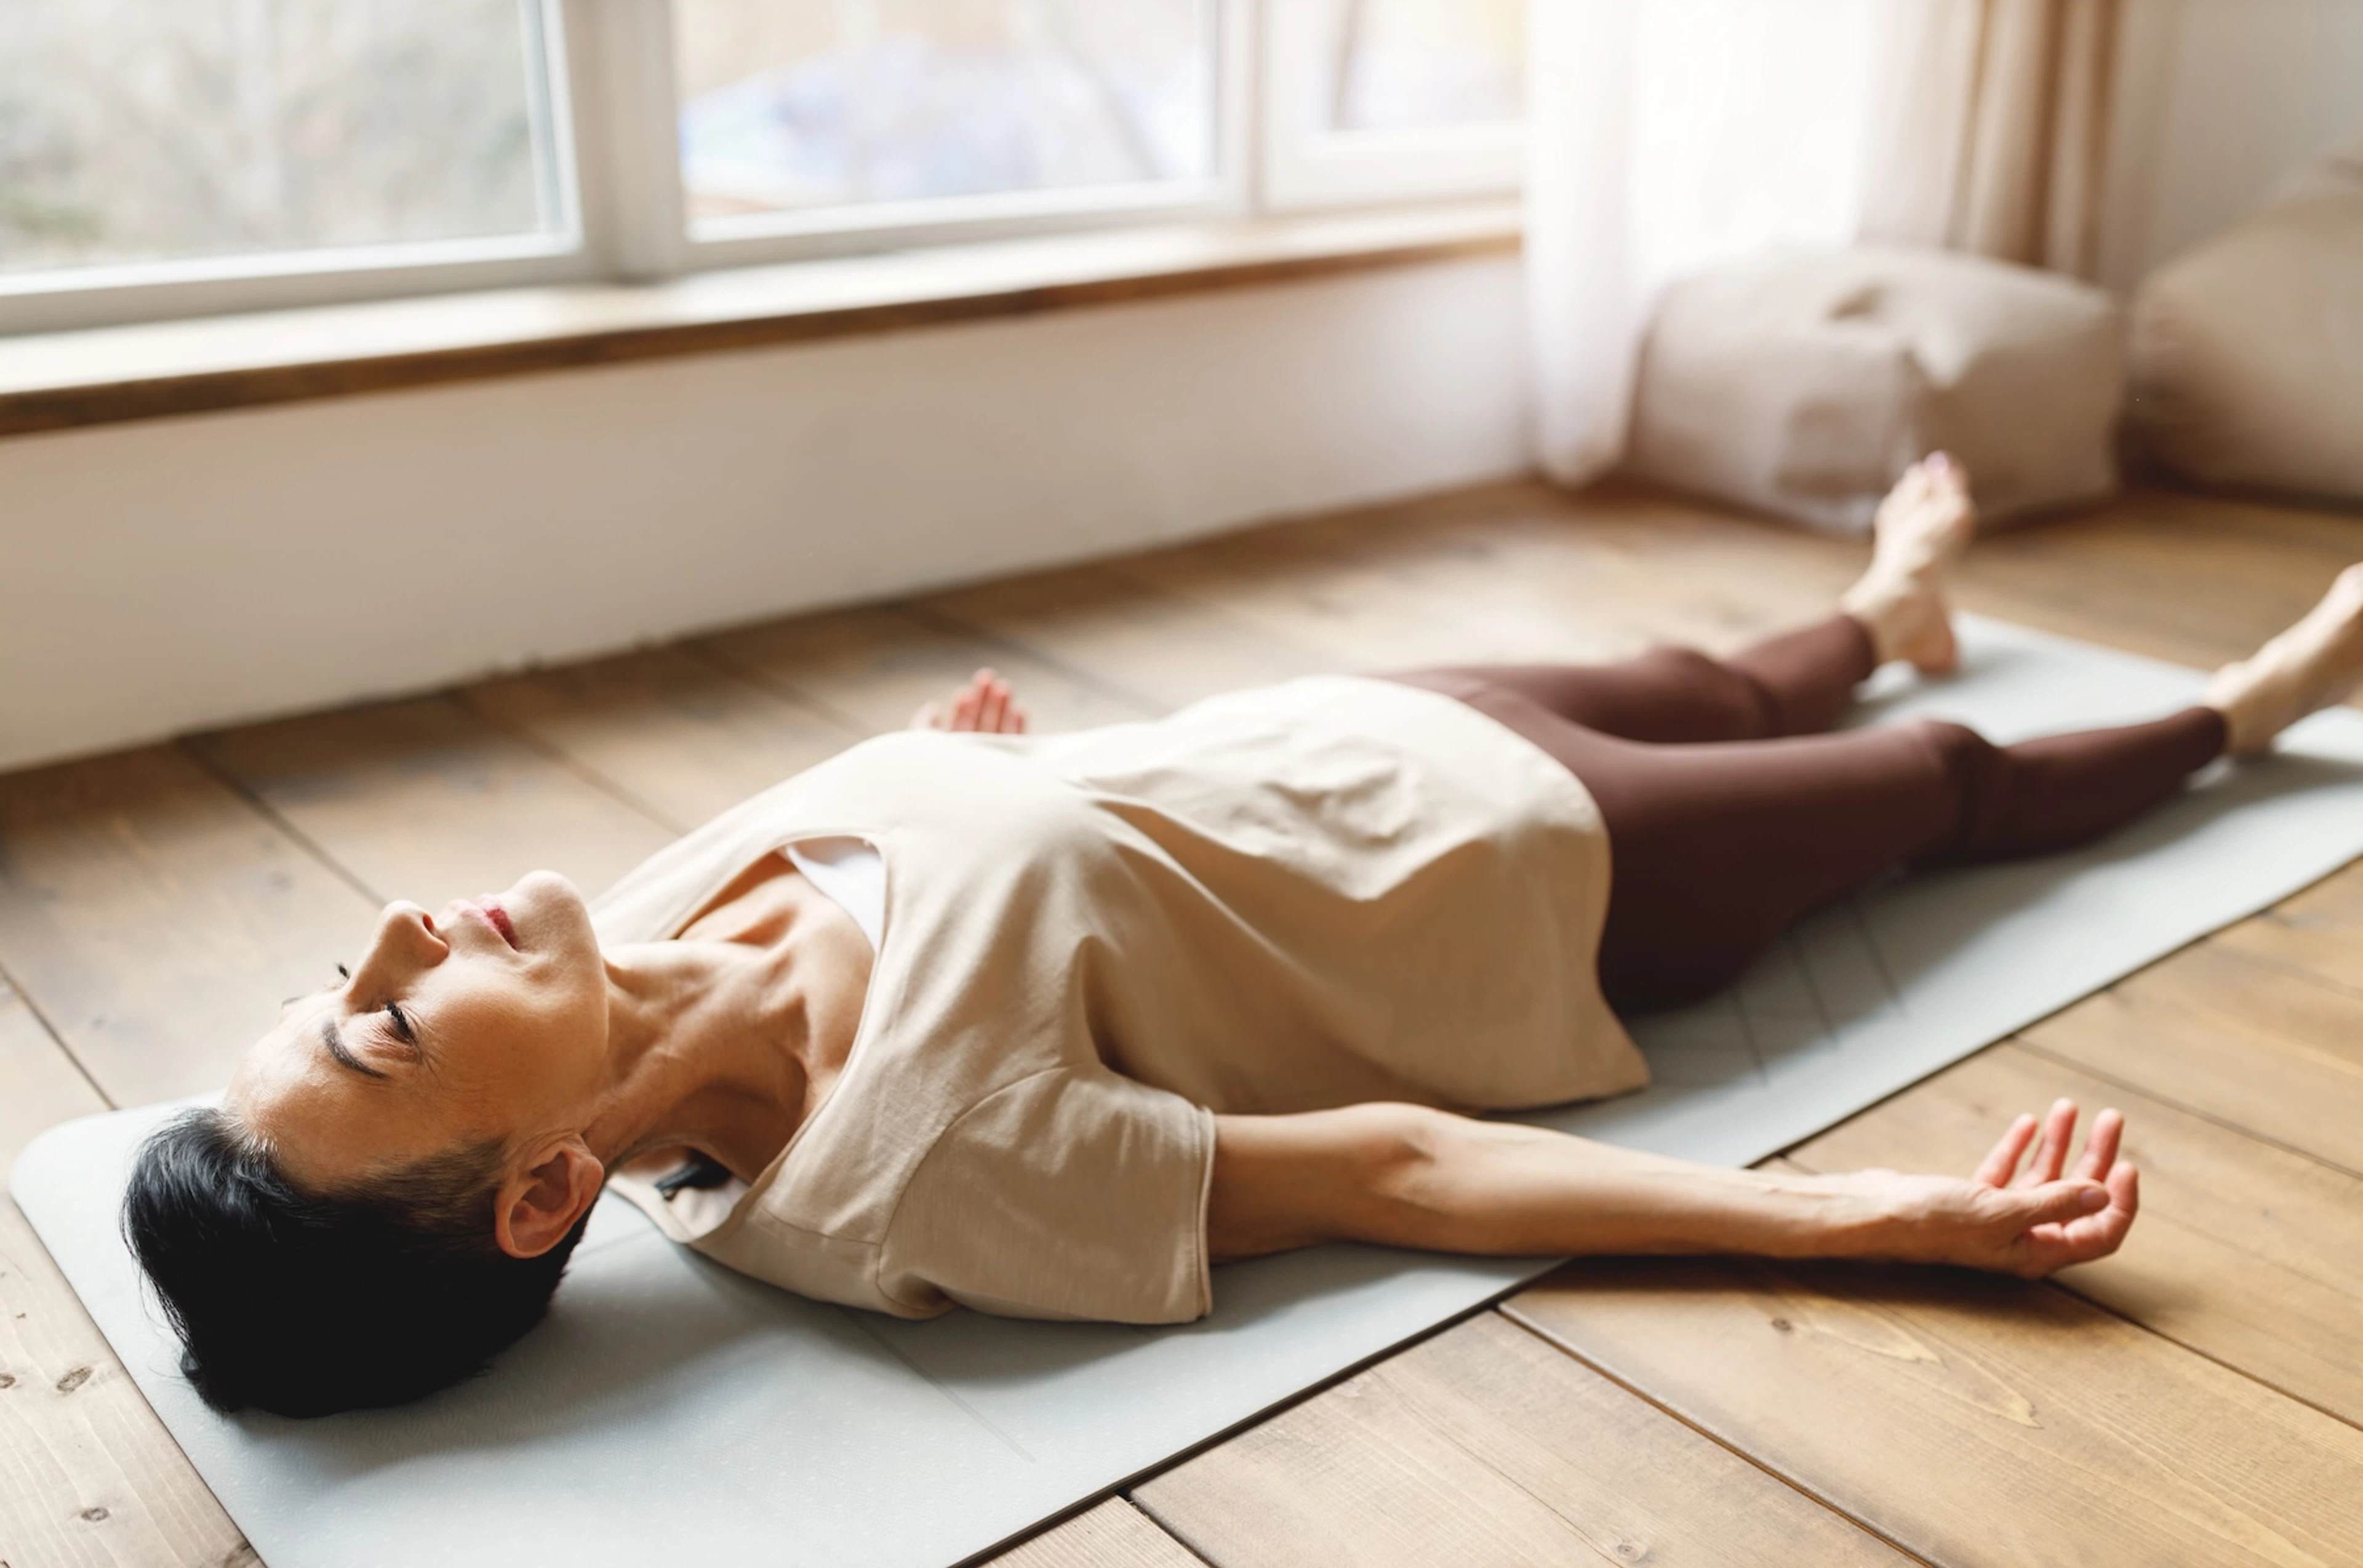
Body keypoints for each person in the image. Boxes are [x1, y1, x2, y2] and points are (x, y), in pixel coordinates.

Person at [123, 455, 2363, 1418]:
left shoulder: (603, 936)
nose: (401, 936)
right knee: (1947, 798)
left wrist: (929, 764)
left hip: (1341, 735)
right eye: (393, 1032)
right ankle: (2265, 696)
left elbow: (902, 846)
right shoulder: (930, 1179)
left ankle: (1883, 609)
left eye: (347, 981)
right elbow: (1397, 1174)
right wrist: (1862, 1220)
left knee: (1735, 671)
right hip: (1535, 889)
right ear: (542, 1197)